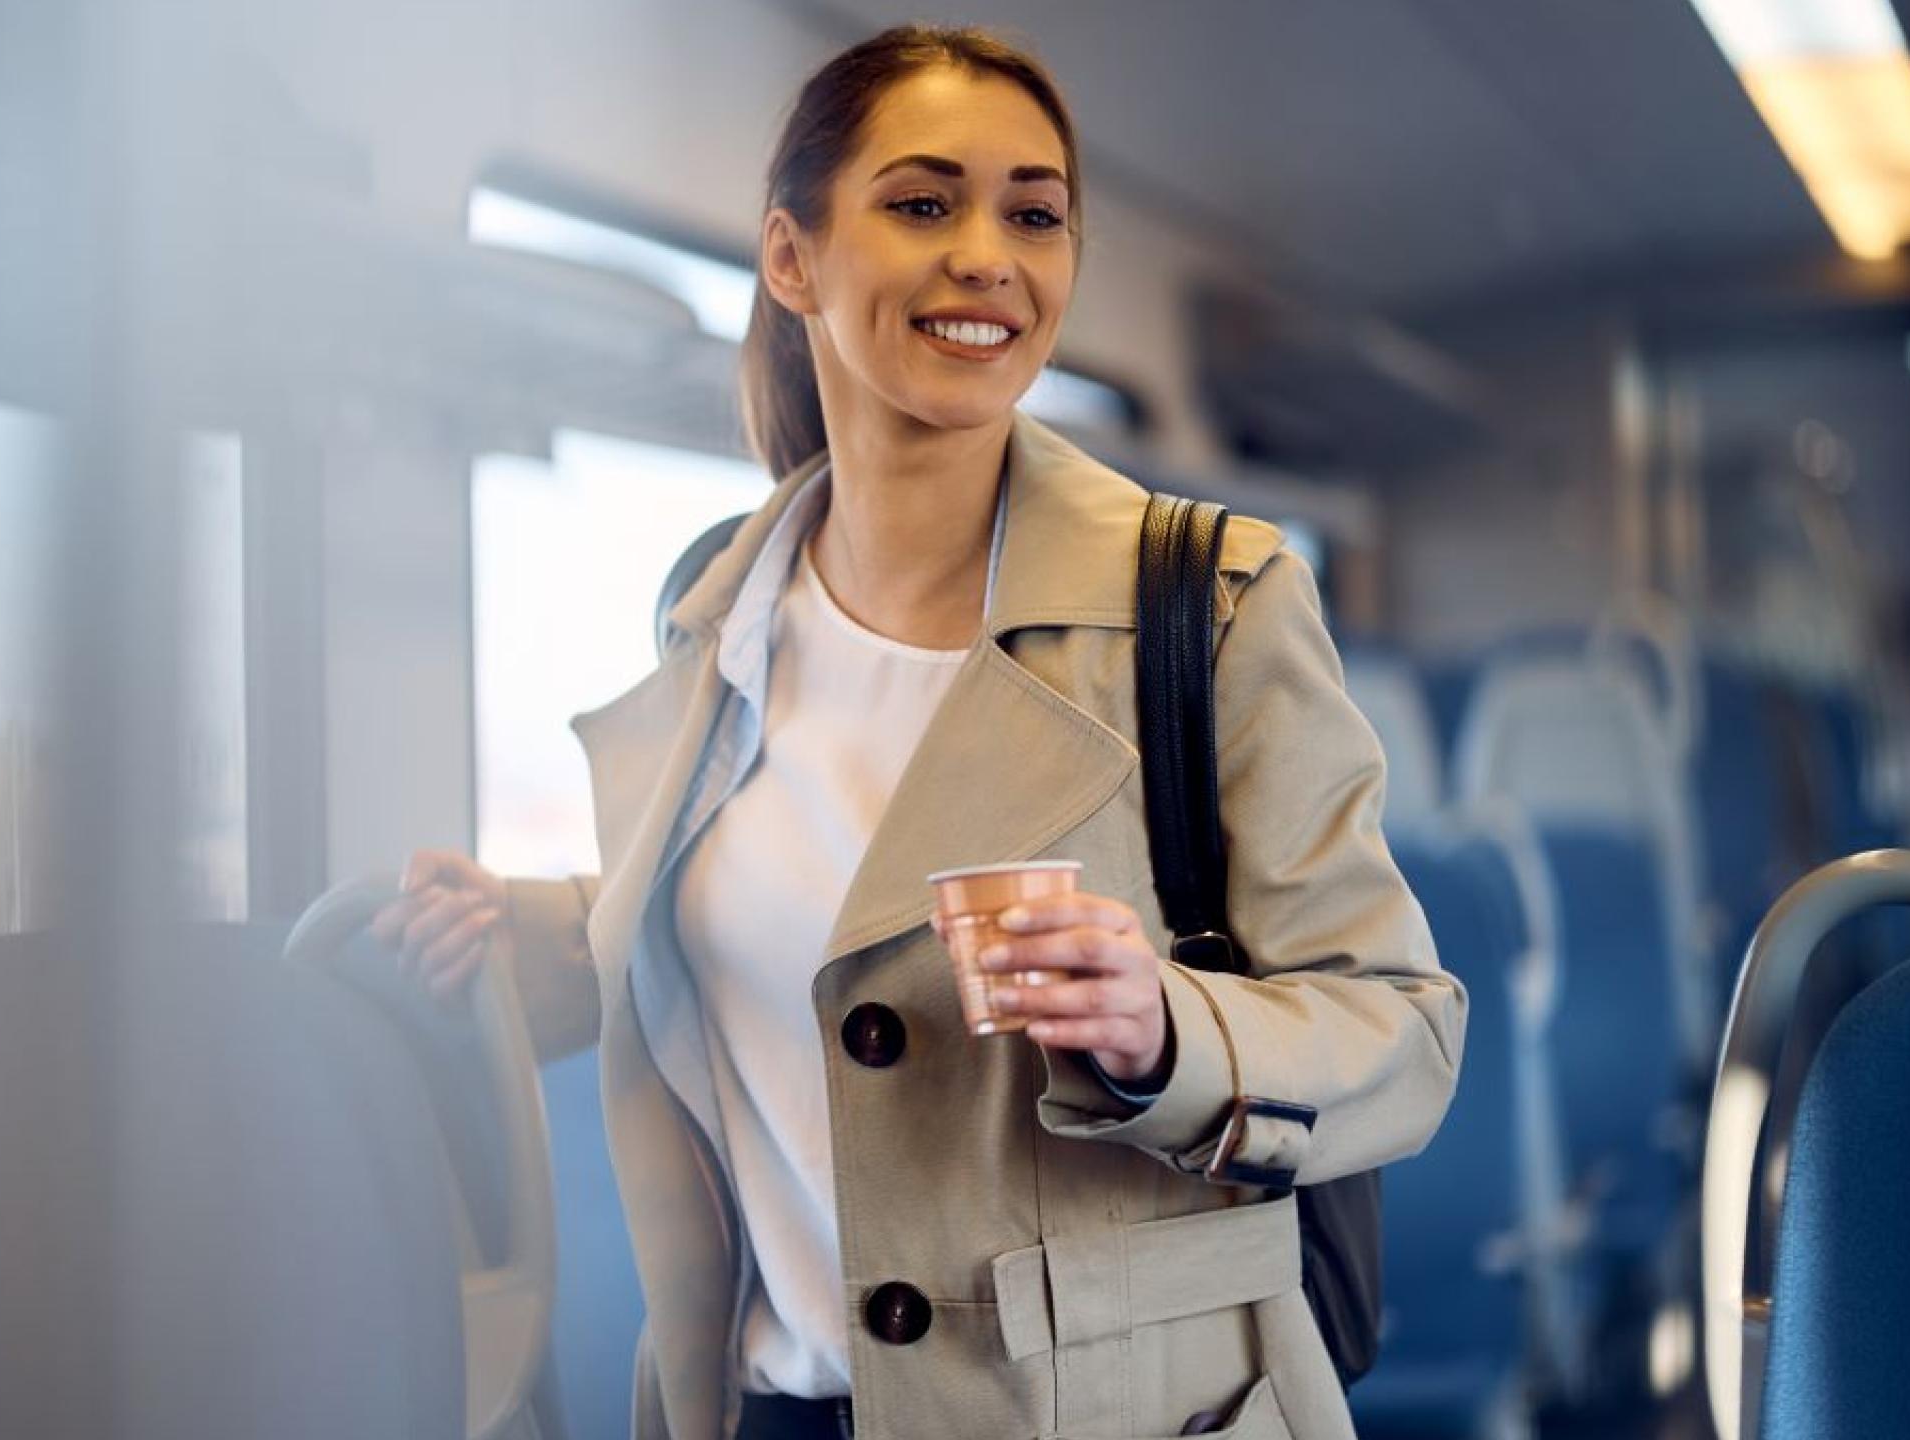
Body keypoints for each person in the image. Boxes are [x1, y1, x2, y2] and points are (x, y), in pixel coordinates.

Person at [374, 24, 1464, 1440]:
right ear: (790, 259)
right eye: (921, 202)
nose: (986, 255)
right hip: (771, 1408)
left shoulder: (1211, 600)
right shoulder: (716, 615)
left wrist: (1160, 1028)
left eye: (1034, 213)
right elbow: (818, 918)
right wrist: (551, 929)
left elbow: (1403, 1029)